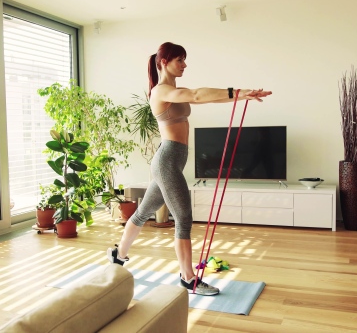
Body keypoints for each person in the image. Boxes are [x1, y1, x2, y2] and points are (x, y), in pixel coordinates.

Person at [107, 42, 272, 296]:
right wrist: (238, 90)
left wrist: (240, 96)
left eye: (184, 60)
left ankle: (118, 254)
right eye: (180, 60)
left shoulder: (174, 90)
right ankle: (188, 278)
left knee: (142, 213)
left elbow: (203, 97)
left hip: (172, 161)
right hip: (167, 161)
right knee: (183, 219)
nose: (184, 65)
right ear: (164, 62)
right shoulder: (160, 91)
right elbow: (196, 95)